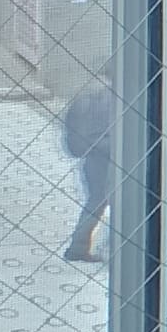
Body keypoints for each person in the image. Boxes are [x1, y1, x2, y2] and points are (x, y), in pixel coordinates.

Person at [60, 75, 118, 265]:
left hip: (91, 157)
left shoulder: (91, 93)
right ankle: (81, 247)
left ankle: (79, 247)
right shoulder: (110, 98)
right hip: (105, 158)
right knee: (102, 201)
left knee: (96, 201)